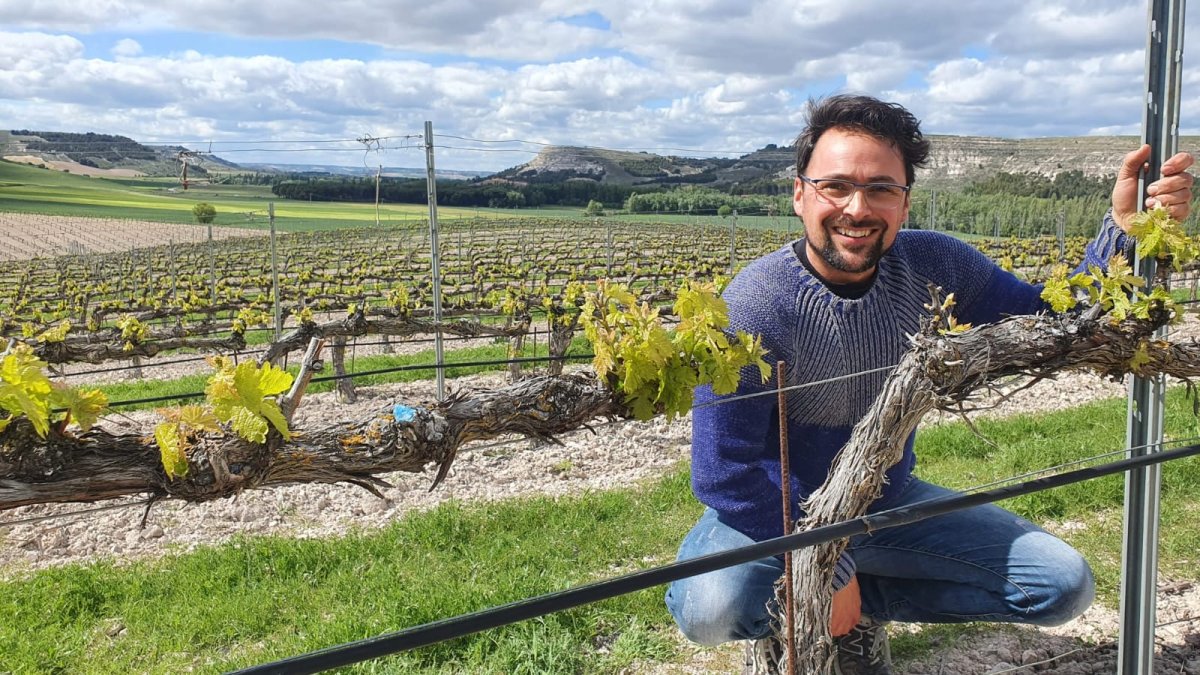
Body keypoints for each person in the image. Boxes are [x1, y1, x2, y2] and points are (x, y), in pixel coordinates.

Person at [664, 94, 1195, 674]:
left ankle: (855, 614)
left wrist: (1123, 231)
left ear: (905, 202)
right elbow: (724, 471)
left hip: (883, 501)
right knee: (708, 608)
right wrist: (822, 562)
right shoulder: (755, 304)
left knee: (1061, 587)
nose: (857, 208)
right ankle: (794, 611)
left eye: (881, 189)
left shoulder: (936, 265)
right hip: (777, 514)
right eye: (835, 186)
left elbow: (1055, 324)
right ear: (799, 194)